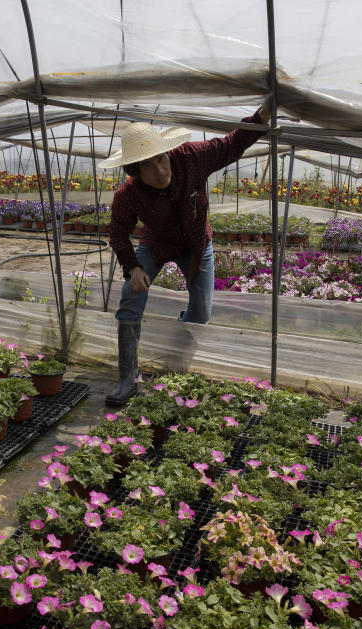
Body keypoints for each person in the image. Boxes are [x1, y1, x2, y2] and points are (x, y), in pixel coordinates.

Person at [100, 106, 270, 406]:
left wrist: (261, 118)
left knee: (201, 313)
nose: (160, 170)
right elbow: (117, 234)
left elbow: (231, 144)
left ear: (167, 152)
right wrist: (132, 267)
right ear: (135, 172)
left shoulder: (191, 158)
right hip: (156, 244)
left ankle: (178, 346)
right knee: (130, 298)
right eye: (148, 166)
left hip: (197, 244)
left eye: (160, 159)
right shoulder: (127, 196)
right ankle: (127, 377)